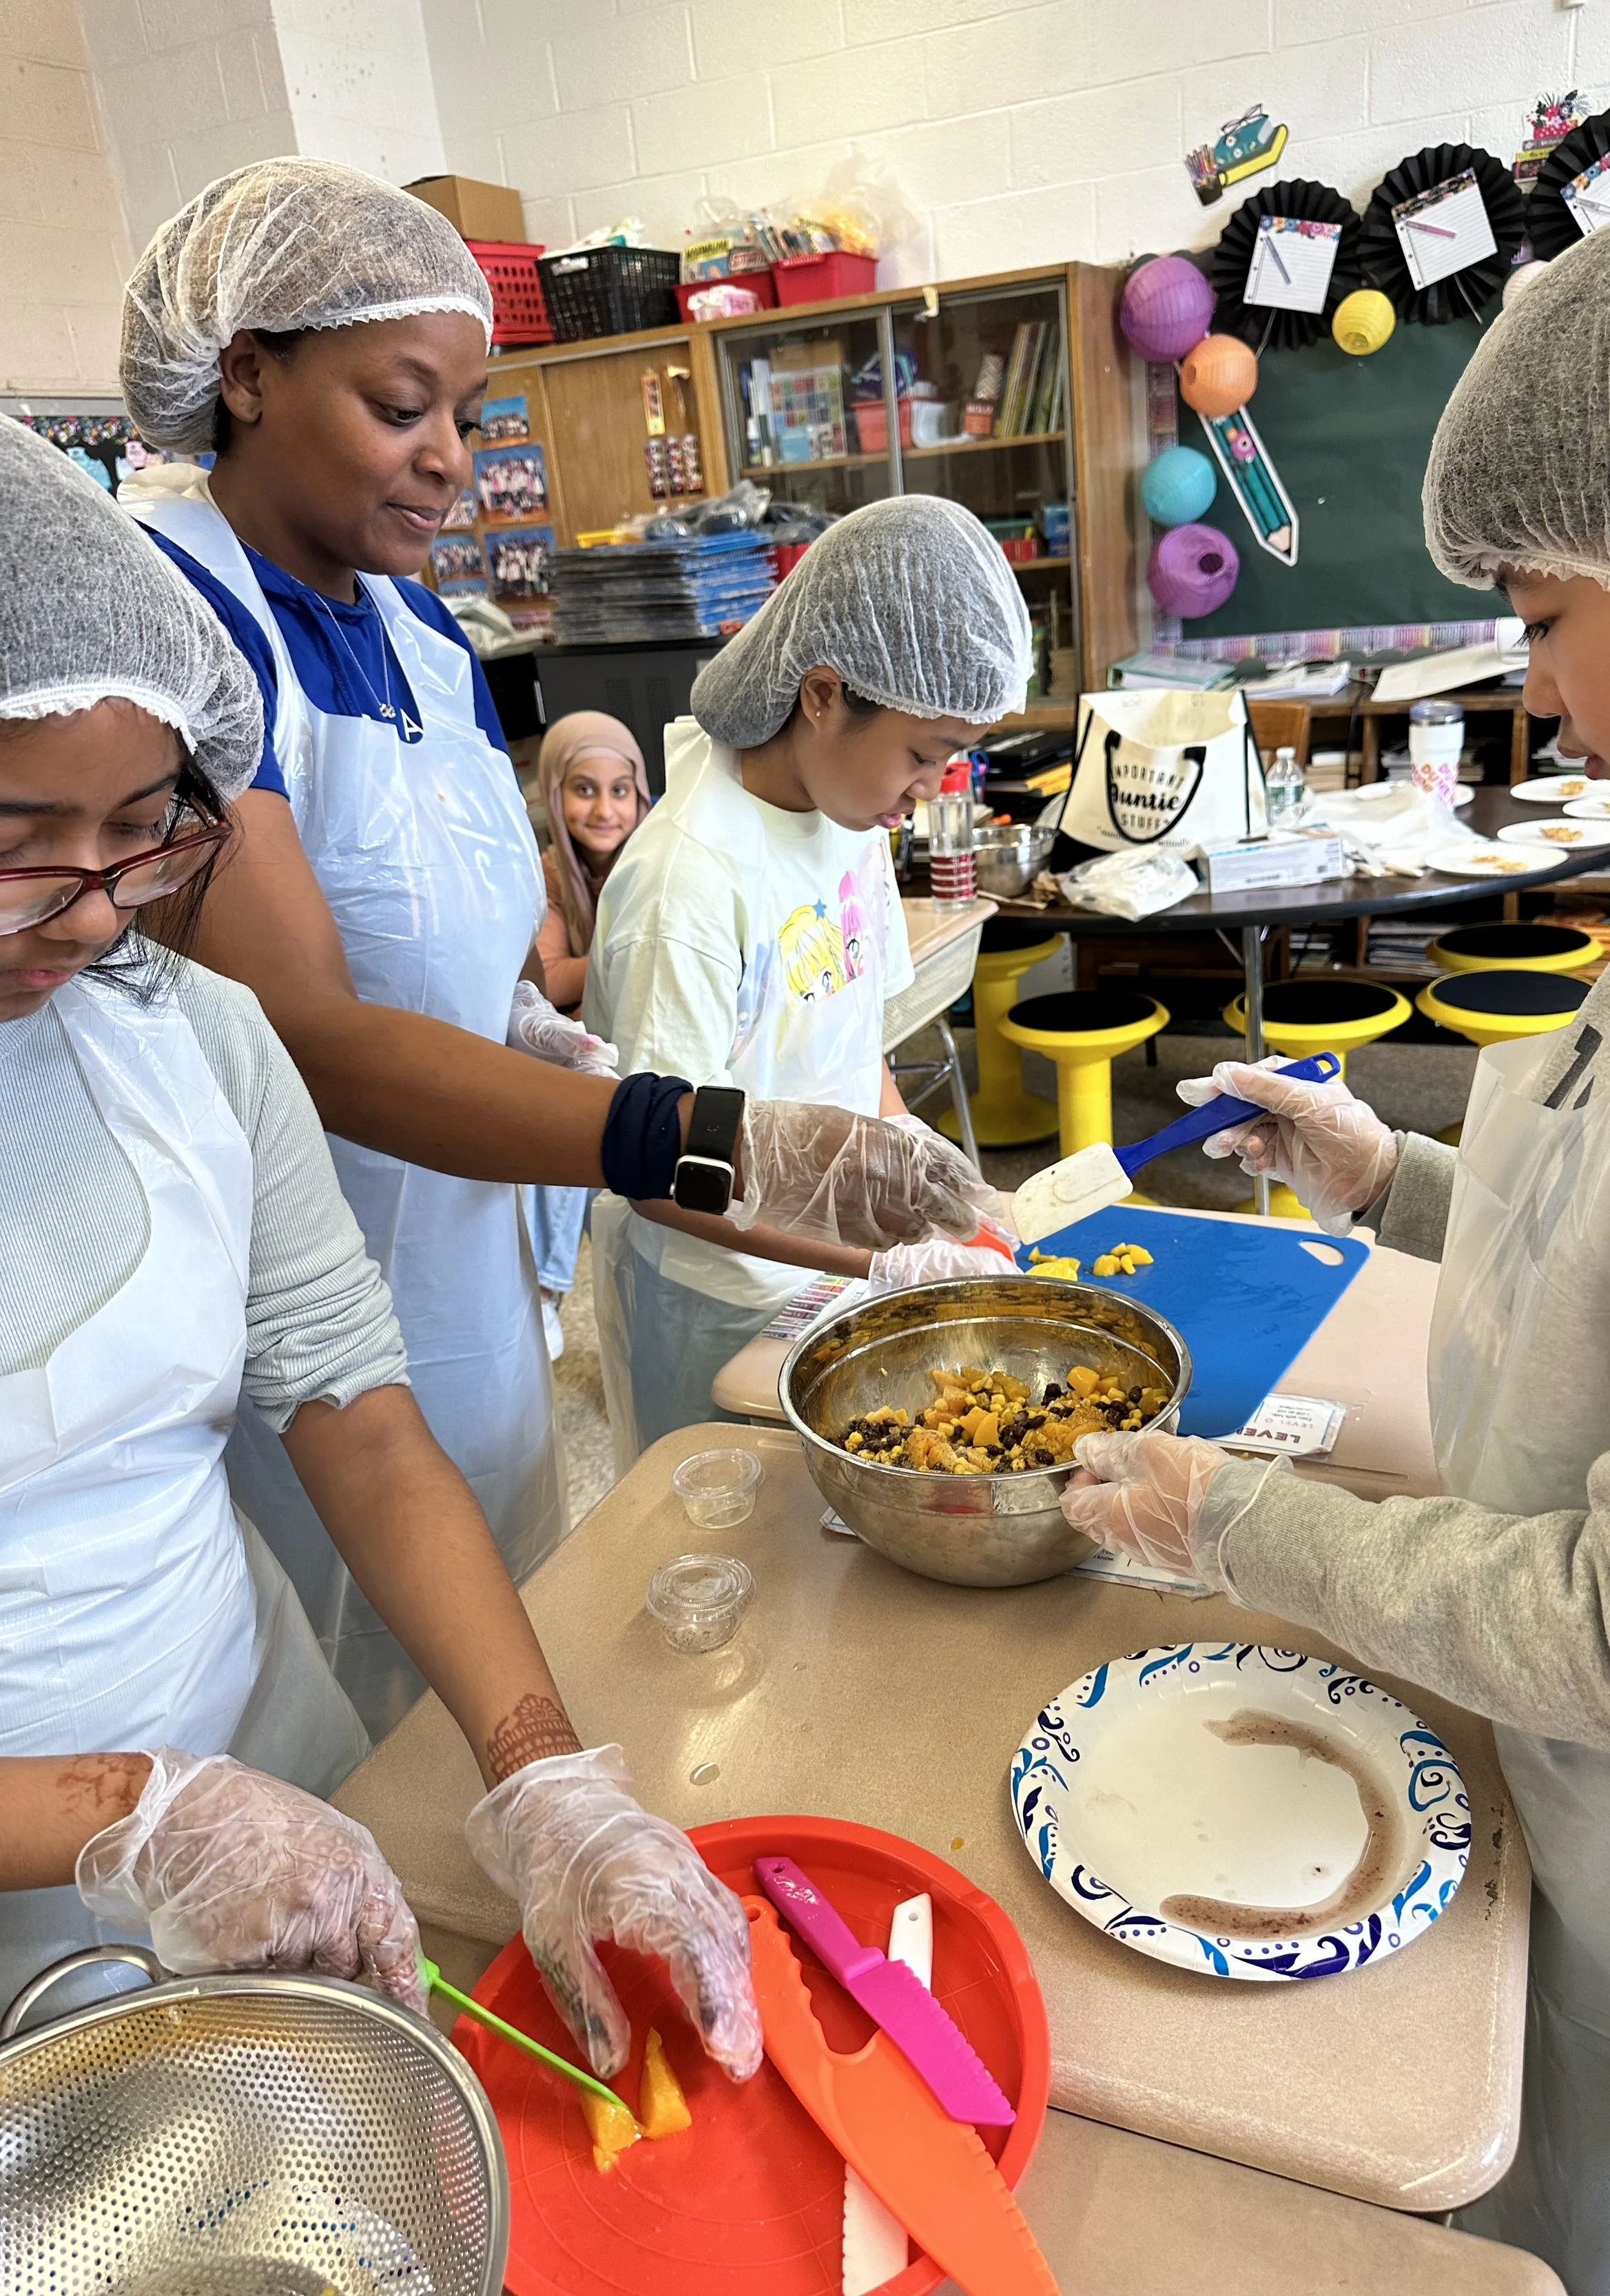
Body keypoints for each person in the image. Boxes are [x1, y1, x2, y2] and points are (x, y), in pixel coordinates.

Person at [1057, 176, 1610, 2296]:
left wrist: (1224, 1522)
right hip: (1560, 1773)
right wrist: (1389, 1174)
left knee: (1609, 2214)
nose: (1526, 682)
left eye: (1537, 617)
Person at [114, 158, 996, 1733]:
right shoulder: (171, 624)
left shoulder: (420, 633)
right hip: (295, 1327)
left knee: (514, 1658)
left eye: (466, 409)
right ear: (244, 372)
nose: (450, 459)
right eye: (402, 406)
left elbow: (455, 946)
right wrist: (683, 1125)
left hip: (477, 1284)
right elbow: (305, 1034)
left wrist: (537, 1030)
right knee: (361, 1735)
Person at [0, 413, 760, 2084]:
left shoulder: (185, 1033)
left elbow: (350, 1404)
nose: (93, 914)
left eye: (140, 829)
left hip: (279, 1779)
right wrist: (125, 1812)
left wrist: (544, 1770)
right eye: (12, 848)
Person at [583, 495, 1028, 1466]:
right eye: (921, 755)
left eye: (949, 759)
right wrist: (883, 1257)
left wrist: (912, 1152)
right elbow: (660, 1167)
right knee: (721, 1542)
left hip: (828, 1271)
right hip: (720, 1289)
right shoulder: (688, 882)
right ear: (821, 694)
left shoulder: (848, 819)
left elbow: (850, 1040)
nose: (928, 792)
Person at [524, 712, 652, 1348]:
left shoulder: (656, 862)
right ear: (553, 794)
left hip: (647, 1041)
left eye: (620, 790)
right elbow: (547, 981)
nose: (605, 808)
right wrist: (629, 946)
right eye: (584, 789)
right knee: (571, 1100)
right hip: (584, 1050)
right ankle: (548, 1289)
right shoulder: (545, 874)